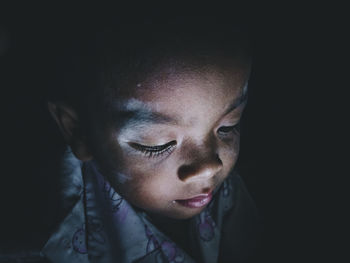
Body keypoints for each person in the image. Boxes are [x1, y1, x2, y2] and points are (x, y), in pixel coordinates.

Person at [43, 15, 261, 263]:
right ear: (77, 130)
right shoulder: (50, 236)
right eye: (158, 144)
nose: (210, 167)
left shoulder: (232, 196)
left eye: (227, 127)